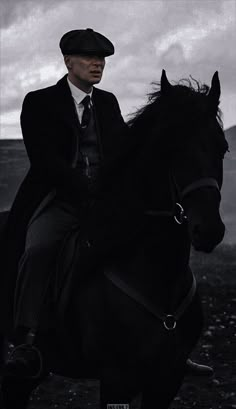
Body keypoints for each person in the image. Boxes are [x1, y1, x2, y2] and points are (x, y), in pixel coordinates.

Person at [2, 28, 212, 379]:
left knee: (157, 239)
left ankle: (169, 345)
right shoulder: (38, 102)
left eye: (101, 59)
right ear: (68, 61)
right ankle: (27, 341)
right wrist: (87, 187)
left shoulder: (109, 102)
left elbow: (125, 153)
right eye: (88, 58)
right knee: (39, 249)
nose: (97, 64)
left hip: (106, 203)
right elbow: (45, 162)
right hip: (58, 200)